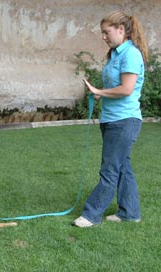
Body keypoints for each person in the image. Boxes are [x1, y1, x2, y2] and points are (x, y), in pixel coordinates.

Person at [72, 11, 149, 227]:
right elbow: (117, 87)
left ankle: (91, 215)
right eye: (102, 33)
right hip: (111, 120)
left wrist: (100, 91)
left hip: (125, 121)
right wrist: (99, 93)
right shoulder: (115, 54)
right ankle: (130, 212)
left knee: (110, 169)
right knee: (122, 166)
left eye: (107, 32)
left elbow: (126, 89)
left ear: (121, 30)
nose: (104, 37)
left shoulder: (130, 54)